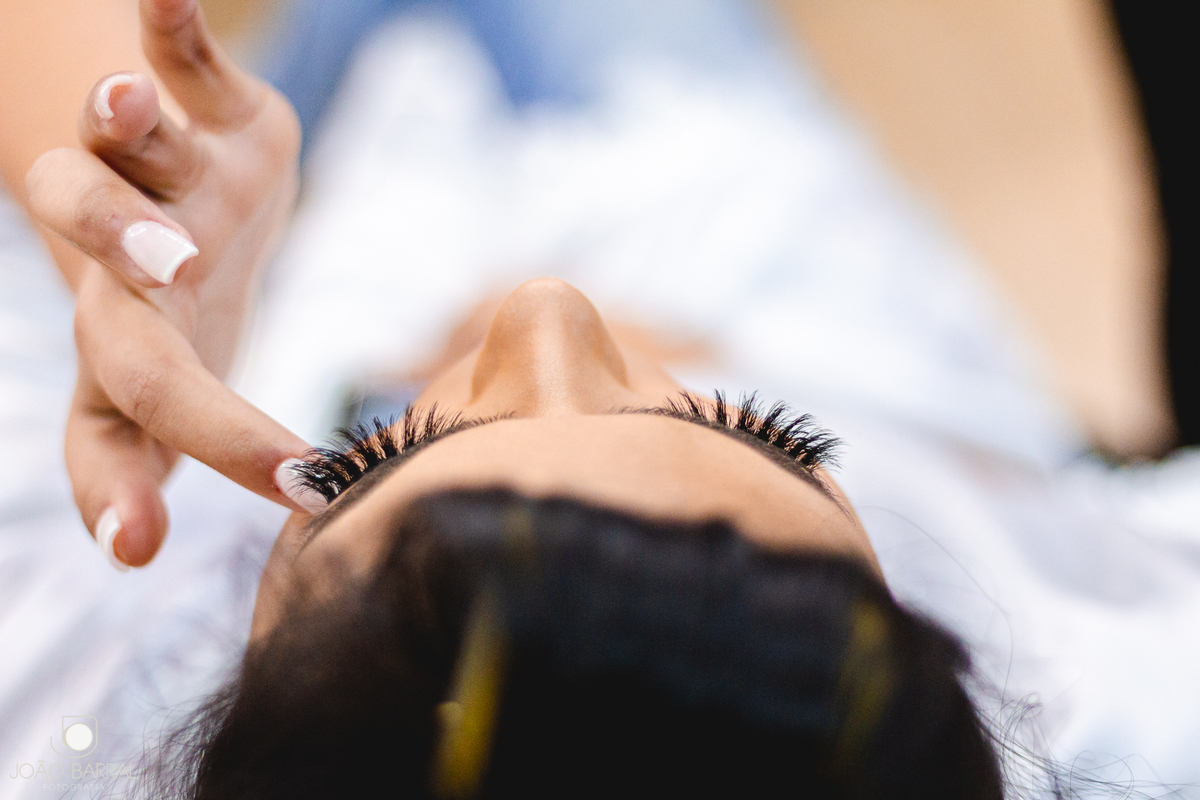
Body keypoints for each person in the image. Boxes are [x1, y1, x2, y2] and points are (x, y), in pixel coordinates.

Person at [0, 0, 1197, 797]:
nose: (548, 308)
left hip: (344, 204)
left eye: (370, 458)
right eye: (760, 427)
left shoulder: (73, 695)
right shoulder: (1134, 701)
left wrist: (127, 239)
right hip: (694, 174)